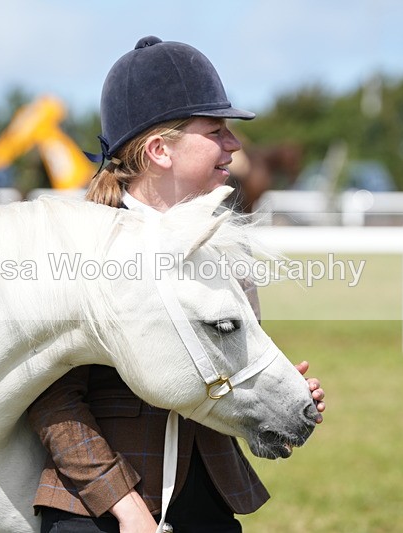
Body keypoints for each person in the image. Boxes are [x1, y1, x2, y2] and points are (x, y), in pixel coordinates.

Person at [27, 36, 326, 533]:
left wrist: (277, 392)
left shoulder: (225, 243)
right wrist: (126, 508)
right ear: (160, 149)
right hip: (98, 510)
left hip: (205, 500)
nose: (234, 145)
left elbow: (227, 367)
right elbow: (52, 399)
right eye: (217, 130)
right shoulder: (83, 246)